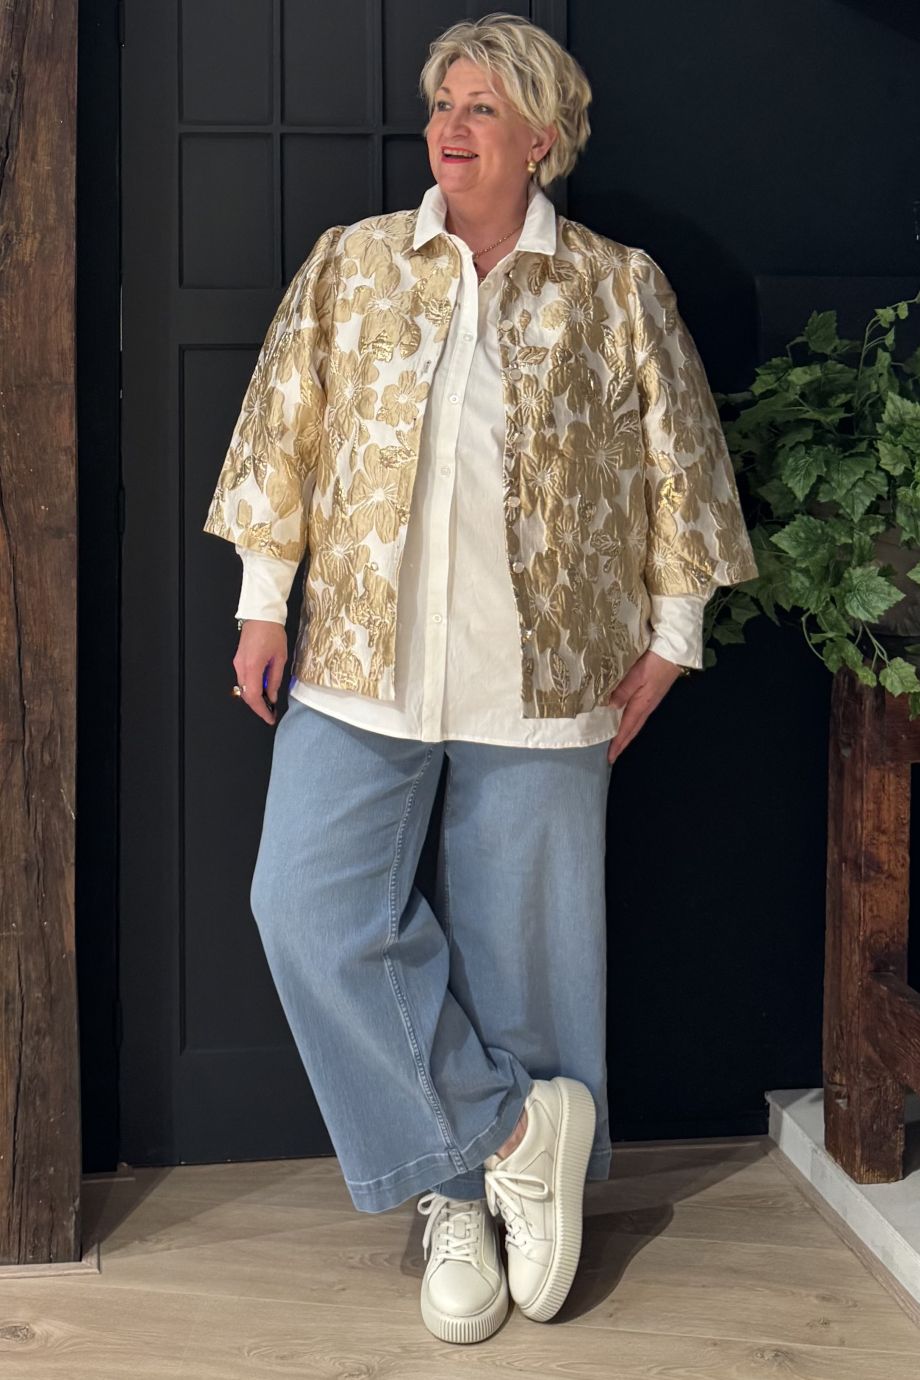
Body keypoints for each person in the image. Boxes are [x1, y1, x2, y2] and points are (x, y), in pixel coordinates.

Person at [202, 11, 759, 1345]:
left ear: (543, 139)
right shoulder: (353, 263)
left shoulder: (617, 287)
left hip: (546, 672)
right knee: (306, 910)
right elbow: (284, 434)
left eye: (482, 108)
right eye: (443, 104)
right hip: (360, 663)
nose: (450, 128)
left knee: (529, 965)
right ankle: (493, 1150)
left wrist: (673, 637)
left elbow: (681, 462)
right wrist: (264, 601)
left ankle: (511, 1208)